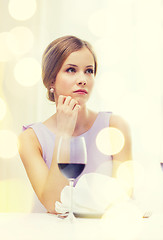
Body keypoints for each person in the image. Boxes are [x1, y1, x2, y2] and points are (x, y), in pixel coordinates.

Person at [18, 35, 132, 214]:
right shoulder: (30, 139)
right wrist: (64, 132)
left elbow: (124, 197)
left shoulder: (115, 127)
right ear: (51, 81)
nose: (83, 79)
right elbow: (54, 204)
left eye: (89, 71)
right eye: (71, 70)